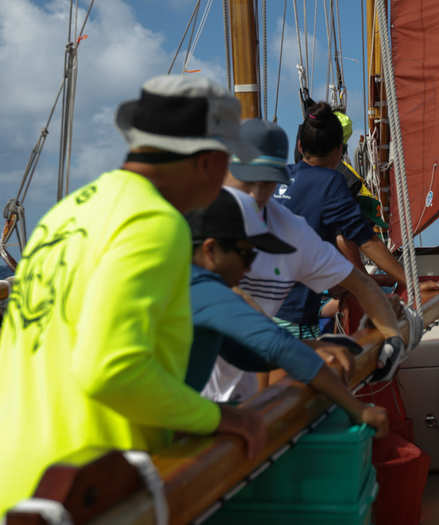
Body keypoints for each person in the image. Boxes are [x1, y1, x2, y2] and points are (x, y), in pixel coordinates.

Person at [0, 75, 266, 514]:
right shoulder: (156, 223)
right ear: (205, 161)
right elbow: (111, 370)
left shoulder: (64, 213)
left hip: (20, 479)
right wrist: (219, 417)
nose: (227, 177)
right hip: (88, 489)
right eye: (228, 161)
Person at [203, 119, 409, 403]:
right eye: (248, 180)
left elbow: (361, 284)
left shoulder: (290, 230)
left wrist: (392, 337)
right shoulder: (190, 224)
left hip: (239, 401)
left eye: (268, 180)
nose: (258, 193)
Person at [184, 188, 389, 438]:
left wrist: (310, 347)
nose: (250, 268)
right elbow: (279, 348)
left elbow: (243, 354)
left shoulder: (183, 281)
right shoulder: (205, 290)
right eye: (246, 254)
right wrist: (359, 410)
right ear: (210, 250)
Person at [274, 101, 439, 335]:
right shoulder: (330, 183)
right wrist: (412, 283)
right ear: (339, 151)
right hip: (293, 318)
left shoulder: (278, 178)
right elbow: (366, 240)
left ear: (299, 145)